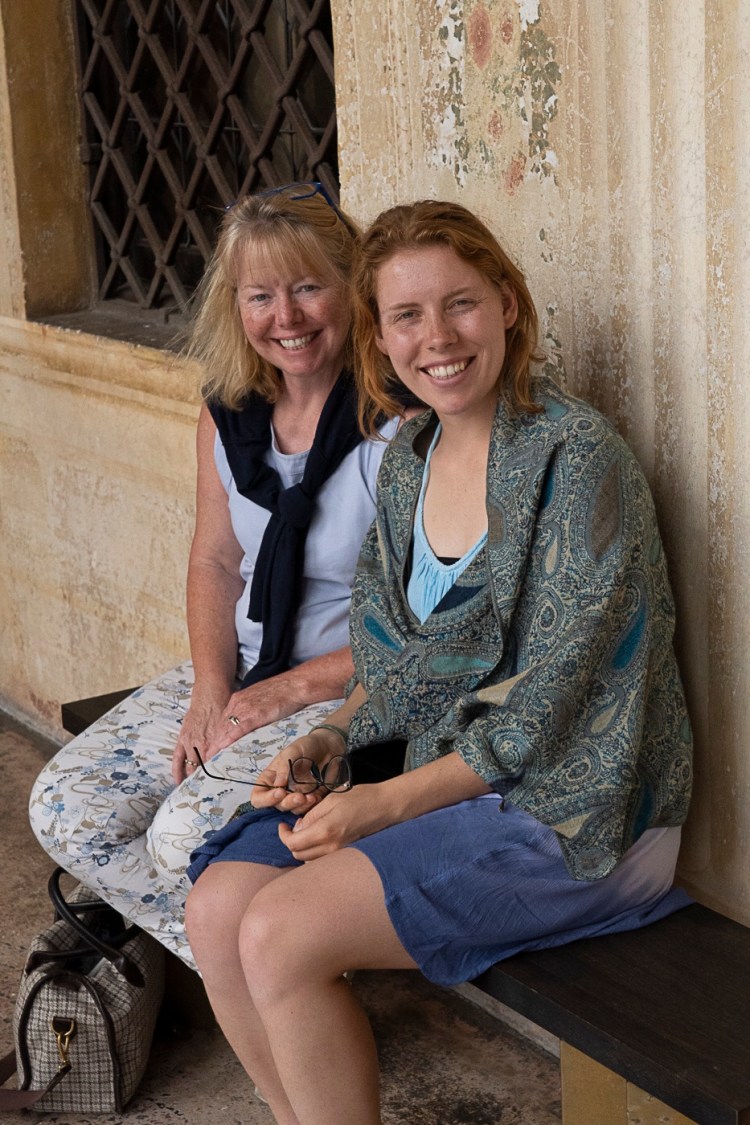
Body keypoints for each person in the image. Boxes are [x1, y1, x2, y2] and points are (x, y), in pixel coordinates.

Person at [184, 199, 693, 1125]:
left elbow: (547, 709)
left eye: (459, 303)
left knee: (281, 929)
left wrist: (379, 802)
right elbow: (393, 658)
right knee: (220, 908)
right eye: (406, 315)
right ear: (379, 335)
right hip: (438, 772)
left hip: (576, 810)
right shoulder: (412, 455)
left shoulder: (577, 459)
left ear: (506, 302)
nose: (438, 338)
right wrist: (333, 742)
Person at [28, 183, 403, 967]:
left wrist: (287, 692)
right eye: (260, 295)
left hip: (351, 690)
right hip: (244, 670)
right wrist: (210, 688)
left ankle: (277, 973)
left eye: (308, 287)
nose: (286, 318)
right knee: (67, 811)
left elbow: (425, 623)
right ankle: (254, 973)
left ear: (353, 286)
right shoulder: (230, 411)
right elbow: (214, 559)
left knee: (181, 833)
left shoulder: (395, 423)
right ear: (235, 305)